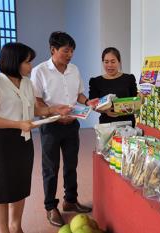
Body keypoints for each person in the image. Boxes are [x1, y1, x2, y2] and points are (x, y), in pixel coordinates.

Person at [0, 42, 71, 233]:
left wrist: (53, 109)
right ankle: (4, 230)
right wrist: (18, 124)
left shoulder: (27, 83)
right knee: (1, 190)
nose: (30, 66)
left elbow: (33, 109)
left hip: (24, 141)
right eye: (28, 62)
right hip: (1, 143)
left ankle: (16, 226)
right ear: (14, 62)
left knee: (20, 187)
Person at [31, 31, 98, 227]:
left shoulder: (74, 70)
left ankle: (70, 200)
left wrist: (87, 101)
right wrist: (53, 114)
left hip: (72, 124)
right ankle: (51, 207)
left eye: (72, 51)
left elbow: (78, 94)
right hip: (51, 125)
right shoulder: (40, 71)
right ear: (53, 50)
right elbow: (37, 100)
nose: (70, 55)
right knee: (51, 168)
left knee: (71, 164)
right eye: (66, 51)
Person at [89, 47, 138, 126]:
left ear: (119, 62)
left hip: (127, 124)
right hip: (106, 125)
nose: (109, 65)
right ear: (103, 63)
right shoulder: (95, 81)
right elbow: (93, 105)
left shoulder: (129, 78)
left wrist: (141, 98)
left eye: (113, 61)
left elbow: (135, 99)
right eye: (106, 62)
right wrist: (105, 111)